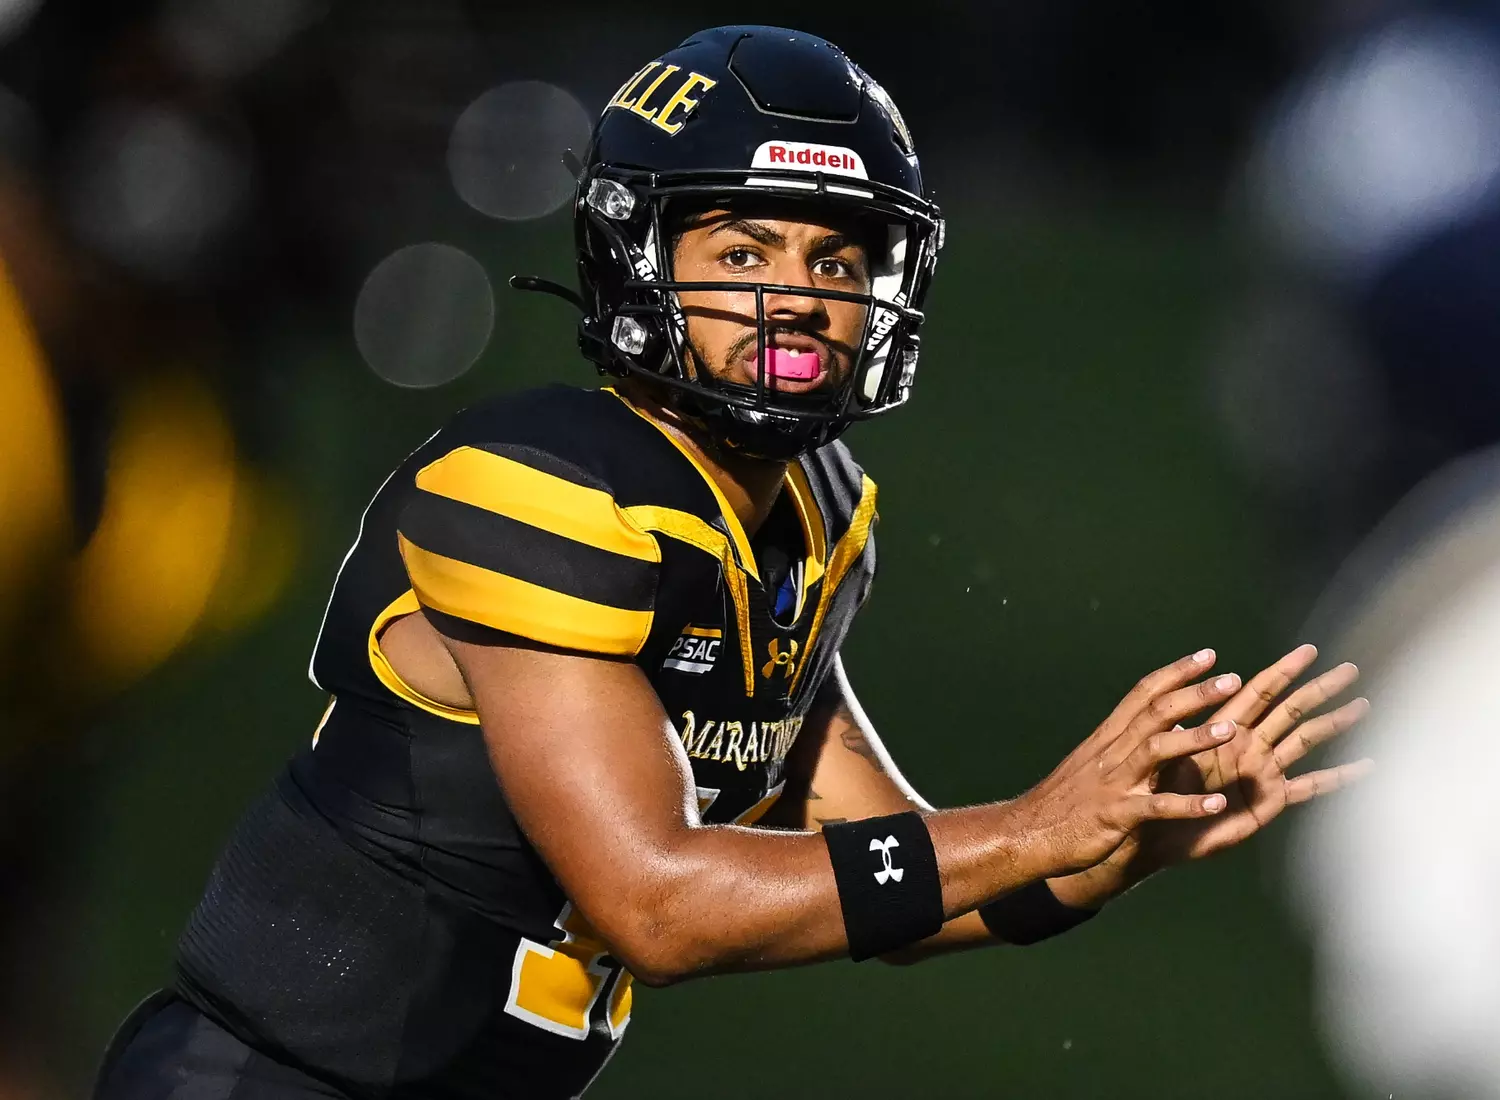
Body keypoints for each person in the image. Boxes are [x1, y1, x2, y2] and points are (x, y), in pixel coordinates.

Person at [94, 25, 1369, 1100]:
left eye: (838, 257)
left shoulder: (808, 513)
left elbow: (902, 872)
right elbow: (656, 901)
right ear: (639, 259)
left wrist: (1118, 833)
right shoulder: (539, 488)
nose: (802, 298)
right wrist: (1033, 824)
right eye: (745, 253)